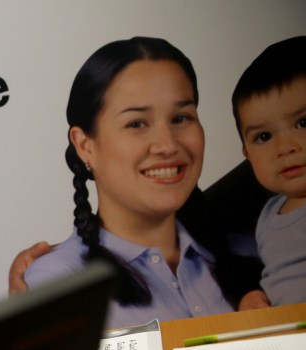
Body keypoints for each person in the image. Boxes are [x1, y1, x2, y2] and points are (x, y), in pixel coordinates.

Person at [20, 36, 246, 329]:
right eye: (137, 123)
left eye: (181, 117)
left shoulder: (258, 248)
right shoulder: (61, 284)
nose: (167, 144)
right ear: (84, 145)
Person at [231, 35, 306, 306]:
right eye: (264, 137)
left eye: (302, 123)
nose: (285, 147)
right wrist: (253, 296)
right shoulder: (268, 214)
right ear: (247, 155)